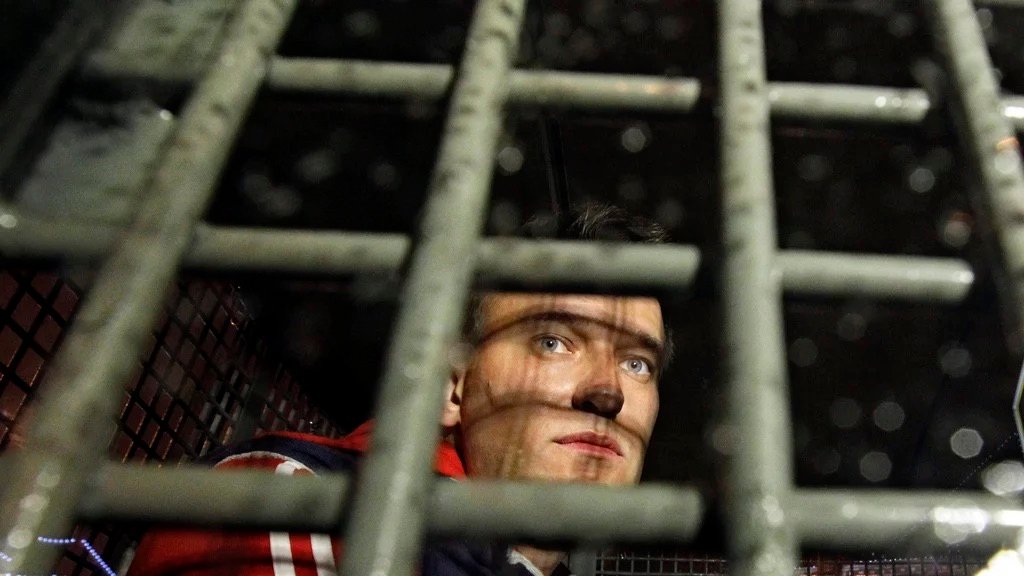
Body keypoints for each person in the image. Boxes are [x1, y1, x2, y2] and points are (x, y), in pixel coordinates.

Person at [127, 204, 670, 576]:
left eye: (637, 364)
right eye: (552, 342)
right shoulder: (295, 501)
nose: (608, 392)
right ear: (452, 387)